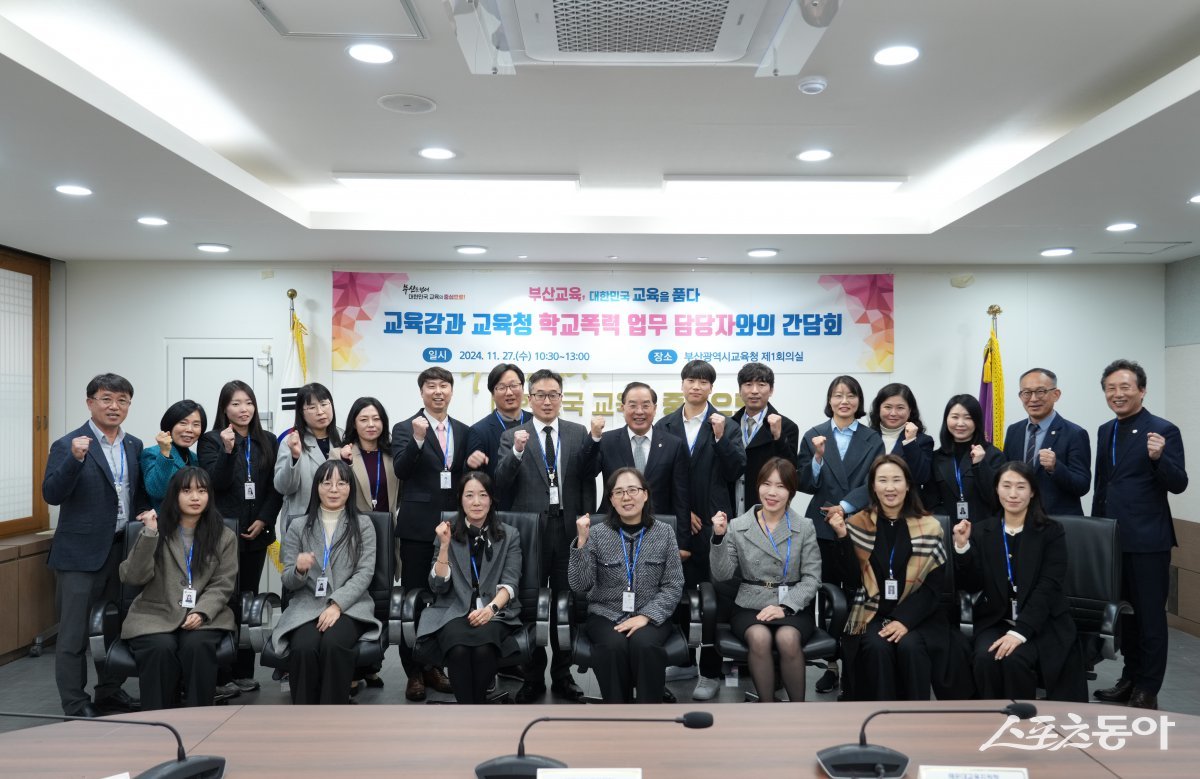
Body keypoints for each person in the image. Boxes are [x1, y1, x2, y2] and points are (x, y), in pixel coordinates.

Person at [43, 373, 149, 717]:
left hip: (122, 550)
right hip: (79, 556)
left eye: (122, 400)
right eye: (106, 399)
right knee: (73, 635)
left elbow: (136, 495)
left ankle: (109, 692)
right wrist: (74, 461)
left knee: (114, 626)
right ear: (90, 402)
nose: (114, 407)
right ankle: (74, 703)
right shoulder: (69, 444)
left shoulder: (134, 444)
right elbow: (52, 493)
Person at [829, 455, 966, 701]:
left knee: (911, 646)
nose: (890, 487)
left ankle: (914, 718)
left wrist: (904, 621)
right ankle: (879, 718)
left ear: (908, 485)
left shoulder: (929, 526)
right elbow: (851, 580)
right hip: (872, 612)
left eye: (896, 480)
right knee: (876, 646)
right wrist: (842, 538)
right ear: (872, 486)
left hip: (920, 614)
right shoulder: (857, 524)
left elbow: (934, 587)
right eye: (882, 480)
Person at [1091, 359, 1188, 710]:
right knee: (1124, 618)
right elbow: (1103, 484)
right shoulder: (1105, 430)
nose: (1117, 394)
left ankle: (1148, 688)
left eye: (1125, 387)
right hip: (1111, 541)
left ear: (1142, 390)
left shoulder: (1163, 429)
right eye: (1111, 388)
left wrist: (1160, 457)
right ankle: (1129, 679)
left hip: (1148, 542)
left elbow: (1179, 484)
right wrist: (1095, 531)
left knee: (1149, 619)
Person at [495, 368, 596, 703]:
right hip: (531, 533)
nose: (547, 401)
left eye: (554, 394)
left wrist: (586, 520)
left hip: (568, 530)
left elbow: (585, 480)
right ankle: (532, 676)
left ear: (561, 398)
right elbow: (500, 483)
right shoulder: (513, 435)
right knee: (529, 606)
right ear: (530, 398)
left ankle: (563, 676)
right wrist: (518, 453)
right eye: (540, 395)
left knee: (566, 603)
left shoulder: (577, 432)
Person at [952, 462, 1087, 702]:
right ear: (996, 490)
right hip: (997, 620)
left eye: (1020, 487)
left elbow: (1048, 587)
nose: (1013, 494)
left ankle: (1022, 725)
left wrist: (1021, 632)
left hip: (1042, 623)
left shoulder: (1051, 532)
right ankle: (991, 722)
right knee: (985, 657)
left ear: (1032, 491)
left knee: (1015, 659)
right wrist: (962, 548)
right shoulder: (984, 531)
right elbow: (972, 584)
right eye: (1006, 486)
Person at [655, 359, 746, 701]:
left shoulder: (725, 424)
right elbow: (660, 476)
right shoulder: (664, 423)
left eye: (703, 381)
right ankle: (682, 661)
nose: (696, 386)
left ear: (711, 387)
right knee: (673, 593)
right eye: (690, 380)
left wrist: (721, 438)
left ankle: (710, 669)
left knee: (713, 599)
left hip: (714, 523)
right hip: (676, 523)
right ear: (682, 385)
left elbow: (736, 468)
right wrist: (682, 515)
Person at [119, 467, 239, 710]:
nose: (195, 497)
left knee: (197, 646)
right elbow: (132, 576)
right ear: (174, 495)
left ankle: (199, 719)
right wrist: (150, 534)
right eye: (187, 491)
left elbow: (223, 583)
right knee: (160, 649)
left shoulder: (224, 536)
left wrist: (202, 611)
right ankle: (157, 721)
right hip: (155, 614)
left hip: (205, 616)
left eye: (202, 491)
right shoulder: (156, 530)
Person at [797, 374, 885, 695]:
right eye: (837, 395)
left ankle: (853, 664)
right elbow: (805, 483)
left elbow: (872, 481)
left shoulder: (872, 438)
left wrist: (844, 507)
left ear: (859, 402)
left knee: (853, 597)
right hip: (820, 528)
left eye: (850, 395)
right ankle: (830, 663)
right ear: (829, 400)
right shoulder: (814, 435)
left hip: (858, 525)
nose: (844, 401)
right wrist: (818, 458)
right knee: (821, 597)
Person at [710, 457, 821, 702]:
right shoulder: (738, 526)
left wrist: (785, 607)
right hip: (750, 605)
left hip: (791, 605)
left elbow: (812, 578)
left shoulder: (804, 526)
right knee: (759, 637)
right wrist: (718, 538)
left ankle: (798, 710)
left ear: (791, 491)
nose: (772, 492)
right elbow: (722, 574)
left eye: (781, 486)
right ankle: (767, 709)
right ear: (757, 485)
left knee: (787, 637)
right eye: (766, 484)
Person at [569, 468, 685, 703]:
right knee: (612, 647)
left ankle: (648, 716)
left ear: (645, 495)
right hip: (605, 614)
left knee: (645, 646)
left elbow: (674, 584)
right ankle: (617, 716)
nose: (626, 497)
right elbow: (579, 585)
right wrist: (581, 541)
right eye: (619, 492)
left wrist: (647, 616)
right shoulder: (598, 533)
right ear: (611, 499)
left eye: (633, 490)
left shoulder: (664, 533)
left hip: (649, 614)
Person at [272, 459, 380, 705]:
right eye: (326, 482)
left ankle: (332, 714)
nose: (334, 489)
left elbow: (365, 573)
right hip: (307, 605)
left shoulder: (363, 524)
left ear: (350, 488)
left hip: (350, 606)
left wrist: (337, 605)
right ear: (316, 487)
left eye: (341, 483)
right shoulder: (298, 526)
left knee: (333, 644)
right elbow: (289, 580)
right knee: (304, 647)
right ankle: (304, 715)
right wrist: (299, 570)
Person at [198, 380, 282, 696]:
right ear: (224, 408)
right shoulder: (210, 441)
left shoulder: (268, 441)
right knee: (222, 600)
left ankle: (243, 670)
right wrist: (229, 450)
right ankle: (220, 672)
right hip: (221, 536)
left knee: (248, 599)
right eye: (235, 403)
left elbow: (276, 489)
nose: (243, 409)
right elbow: (214, 483)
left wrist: (264, 519)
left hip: (255, 535)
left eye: (248, 402)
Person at [391, 368, 467, 701]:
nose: (438, 392)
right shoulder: (405, 428)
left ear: (451, 391)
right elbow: (401, 470)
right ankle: (414, 673)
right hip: (418, 528)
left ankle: (435, 665)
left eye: (444, 386)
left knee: (445, 599)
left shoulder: (463, 431)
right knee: (415, 598)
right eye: (431, 386)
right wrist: (419, 441)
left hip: (454, 528)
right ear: (422, 392)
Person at [415, 472, 523, 704]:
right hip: (452, 609)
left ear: (491, 499)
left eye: (483, 495)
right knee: (459, 650)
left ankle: (473, 712)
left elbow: (511, 582)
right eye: (470, 495)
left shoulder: (509, 535)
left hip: (495, 611)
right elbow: (437, 586)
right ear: (460, 500)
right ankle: (470, 711)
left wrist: (490, 609)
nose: (476, 502)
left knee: (484, 649)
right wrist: (444, 547)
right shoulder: (447, 532)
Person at [581, 381, 690, 546]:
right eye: (632, 405)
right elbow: (585, 472)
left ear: (654, 408)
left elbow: (681, 497)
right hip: (613, 529)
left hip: (658, 531)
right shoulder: (607, 441)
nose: (639, 411)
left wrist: (682, 543)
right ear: (622, 408)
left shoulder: (673, 444)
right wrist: (594, 438)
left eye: (646, 405)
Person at [1001, 368, 1091, 515]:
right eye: (1027, 393)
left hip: (1058, 523)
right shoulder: (1014, 431)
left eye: (1040, 391)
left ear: (1056, 394)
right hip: (1020, 519)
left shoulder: (1075, 433)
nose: (1033, 399)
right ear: (1020, 396)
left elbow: (1082, 485)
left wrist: (1055, 467)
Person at [924, 394, 1005, 524]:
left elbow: (997, 499)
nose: (960, 423)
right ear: (946, 420)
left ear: (977, 421)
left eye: (968, 418)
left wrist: (980, 465)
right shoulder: (936, 457)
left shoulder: (993, 455)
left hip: (984, 530)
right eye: (955, 417)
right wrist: (949, 528)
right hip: (947, 531)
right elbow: (931, 501)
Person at [731, 362, 799, 515]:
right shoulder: (729, 424)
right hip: (731, 509)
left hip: (767, 509)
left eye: (761, 385)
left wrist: (778, 437)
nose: (754, 391)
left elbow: (790, 470)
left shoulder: (787, 426)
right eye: (748, 384)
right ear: (740, 390)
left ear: (771, 390)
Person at [273, 383, 342, 523]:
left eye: (324, 404)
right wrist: (294, 456)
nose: (320, 411)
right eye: (311, 407)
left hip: (339, 520)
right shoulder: (291, 441)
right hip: (303, 521)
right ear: (301, 413)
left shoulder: (344, 437)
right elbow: (283, 487)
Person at [465, 363, 529, 510]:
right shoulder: (479, 431)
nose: (509, 392)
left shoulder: (535, 422)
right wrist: (469, 464)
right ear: (493, 393)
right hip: (500, 509)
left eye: (514, 385)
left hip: (535, 510)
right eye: (501, 387)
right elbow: (472, 478)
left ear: (523, 388)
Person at [860, 383, 934, 495]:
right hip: (869, 506)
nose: (893, 413)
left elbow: (921, 477)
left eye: (900, 408)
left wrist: (910, 442)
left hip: (906, 508)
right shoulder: (865, 437)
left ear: (910, 411)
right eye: (888, 407)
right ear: (878, 409)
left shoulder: (922, 441)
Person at [140, 400, 206, 512]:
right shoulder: (152, 453)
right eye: (183, 423)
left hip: (193, 524)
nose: (189, 430)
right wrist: (165, 453)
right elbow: (157, 491)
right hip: (165, 524)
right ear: (170, 425)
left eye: (196, 425)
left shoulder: (195, 458)